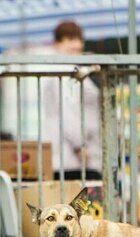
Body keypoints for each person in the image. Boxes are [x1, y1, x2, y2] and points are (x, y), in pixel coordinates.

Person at [42, 21, 102, 181]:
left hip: (77, 156)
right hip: (74, 158)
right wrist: (80, 146)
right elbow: (67, 112)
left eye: (78, 39)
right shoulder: (62, 71)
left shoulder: (75, 69)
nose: (75, 45)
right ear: (57, 44)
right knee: (78, 203)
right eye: (69, 40)